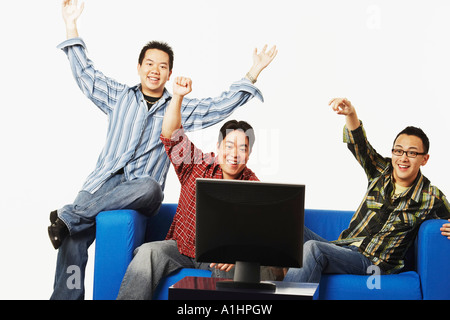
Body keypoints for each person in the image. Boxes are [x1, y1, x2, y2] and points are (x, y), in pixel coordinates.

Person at [49, 0, 277, 300]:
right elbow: (86, 75)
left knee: (149, 186)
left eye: (163, 66)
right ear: (140, 67)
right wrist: (71, 25)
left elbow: (218, 106)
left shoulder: (177, 109)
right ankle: (67, 280)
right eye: (150, 64)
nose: (156, 70)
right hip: (100, 185)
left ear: (169, 74)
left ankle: (69, 215)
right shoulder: (118, 97)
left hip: (143, 190)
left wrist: (252, 74)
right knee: (71, 239)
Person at [116, 76, 260, 300]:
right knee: (147, 252)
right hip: (181, 248)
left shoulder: (254, 186)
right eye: (229, 146)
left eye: (242, 148)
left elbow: (258, 235)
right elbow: (170, 135)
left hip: (220, 256)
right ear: (219, 146)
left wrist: (237, 254)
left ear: (248, 155)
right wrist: (178, 96)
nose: (234, 154)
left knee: (228, 267)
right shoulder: (198, 165)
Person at [284, 97, 450, 283]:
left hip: (373, 263)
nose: (403, 158)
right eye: (398, 151)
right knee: (287, 226)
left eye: (412, 153)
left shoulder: (431, 196)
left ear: (424, 159)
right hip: (345, 248)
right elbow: (360, 146)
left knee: (313, 249)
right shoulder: (381, 171)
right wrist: (351, 114)